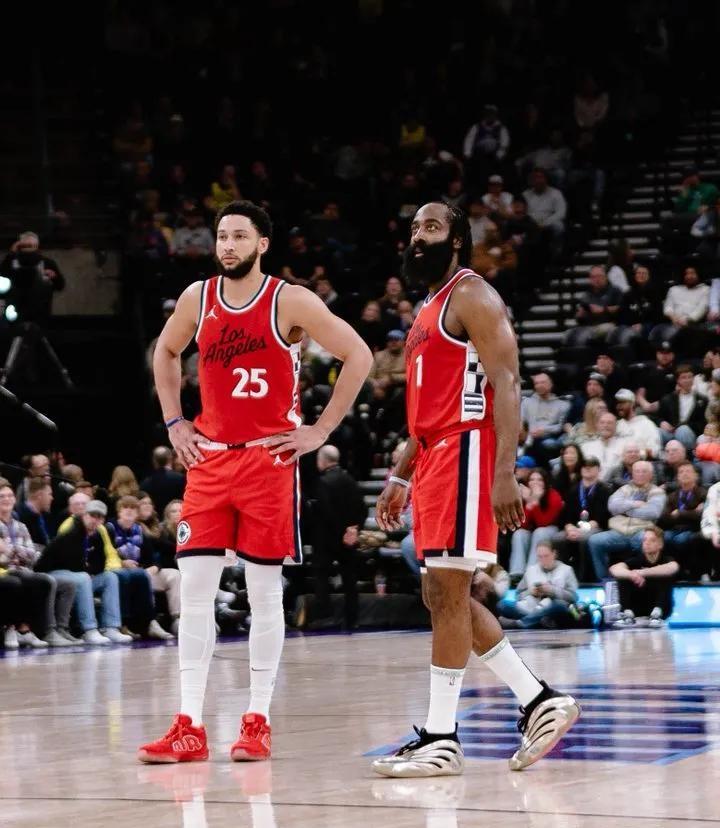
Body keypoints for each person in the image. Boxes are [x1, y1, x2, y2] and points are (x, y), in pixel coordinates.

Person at [139, 200, 372, 764]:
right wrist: (174, 421)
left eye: (239, 236)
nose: (228, 245)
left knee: (265, 592)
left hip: (268, 462)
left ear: (262, 243)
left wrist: (320, 430)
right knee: (194, 592)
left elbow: (359, 355)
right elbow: (165, 350)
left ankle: (257, 720)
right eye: (222, 236)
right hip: (210, 459)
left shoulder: (290, 300)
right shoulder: (198, 298)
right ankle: (188, 725)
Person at [372, 201, 579, 778]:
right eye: (414, 228)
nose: (419, 236)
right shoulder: (428, 308)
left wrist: (505, 471)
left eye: (432, 227)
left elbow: (507, 382)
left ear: (458, 239)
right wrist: (401, 475)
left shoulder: (472, 295)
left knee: (447, 592)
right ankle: (539, 699)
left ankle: (441, 738)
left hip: (466, 452)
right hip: (435, 454)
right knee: (442, 595)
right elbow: (426, 411)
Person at [36, 500, 134, 645]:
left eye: (99, 517)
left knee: (110, 577)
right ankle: (89, 629)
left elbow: (100, 565)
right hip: (52, 574)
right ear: (84, 515)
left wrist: (89, 568)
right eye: (92, 515)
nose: (95, 520)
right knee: (83, 577)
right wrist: (88, 568)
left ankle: (111, 627)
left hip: (79, 576)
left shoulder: (98, 535)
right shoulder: (72, 533)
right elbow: (69, 564)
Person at [0, 480, 76, 648]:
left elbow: (33, 556)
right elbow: (4, 560)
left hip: (24, 569)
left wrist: (11, 549)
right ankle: (21, 629)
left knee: (43, 581)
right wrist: (18, 553)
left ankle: (42, 630)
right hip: (6, 571)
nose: (7, 499)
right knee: (24, 581)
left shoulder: (21, 526)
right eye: (2, 496)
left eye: (10, 496)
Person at [310, 445, 366, 630]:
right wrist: (353, 529)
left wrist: (342, 529)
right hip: (348, 539)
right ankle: (352, 618)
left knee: (321, 575)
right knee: (350, 578)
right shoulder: (350, 479)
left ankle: (324, 617)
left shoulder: (323, 482)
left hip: (326, 539)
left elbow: (325, 512)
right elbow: (362, 508)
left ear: (322, 461)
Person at [106, 496, 176, 640]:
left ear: (137, 513)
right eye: (125, 507)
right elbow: (106, 554)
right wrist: (122, 562)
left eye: (133, 508)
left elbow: (153, 558)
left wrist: (155, 567)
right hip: (117, 570)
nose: (129, 511)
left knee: (174, 575)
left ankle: (177, 619)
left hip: (142, 571)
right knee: (137, 576)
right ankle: (136, 623)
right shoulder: (109, 528)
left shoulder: (139, 530)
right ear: (119, 511)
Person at [587, 460, 666, 580]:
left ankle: (643, 578)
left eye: (644, 471)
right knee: (594, 541)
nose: (640, 474)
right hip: (618, 532)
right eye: (637, 471)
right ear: (632, 474)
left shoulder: (657, 492)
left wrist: (624, 510)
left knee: (647, 541)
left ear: (650, 475)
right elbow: (612, 506)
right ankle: (604, 580)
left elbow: (653, 512)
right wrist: (634, 504)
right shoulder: (624, 489)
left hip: (642, 531)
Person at [552, 457, 610, 580]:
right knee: (557, 538)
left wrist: (581, 530)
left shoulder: (605, 490)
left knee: (585, 539)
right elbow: (566, 515)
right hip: (574, 528)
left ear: (598, 470)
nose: (587, 469)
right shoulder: (573, 489)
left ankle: (584, 578)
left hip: (596, 527)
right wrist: (569, 528)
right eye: (584, 466)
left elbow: (602, 517)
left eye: (591, 466)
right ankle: (561, 577)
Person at [498, 543, 578, 629]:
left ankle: (521, 623)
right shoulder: (531, 570)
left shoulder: (566, 570)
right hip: (530, 607)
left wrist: (552, 591)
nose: (543, 559)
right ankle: (538, 621)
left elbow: (573, 597)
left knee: (560, 607)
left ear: (554, 554)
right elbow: (518, 595)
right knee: (502, 604)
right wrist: (531, 592)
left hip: (551, 608)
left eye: (546, 556)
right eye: (540, 557)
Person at [610, 527, 679, 628]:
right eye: (644, 540)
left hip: (660, 606)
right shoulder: (636, 559)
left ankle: (657, 615)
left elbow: (673, 567)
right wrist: (631, 574)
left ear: (660, 544)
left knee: (663, 573)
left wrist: (642, 572)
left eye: (652, 540)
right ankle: (627, 614)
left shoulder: (667, 559)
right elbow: (614, 569)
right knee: (623, 575)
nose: (647, 543)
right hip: (639, 606)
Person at [509, 469, 564, 577]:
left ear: (545, 482)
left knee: (540, 532)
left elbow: (543, 522)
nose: (535, 483)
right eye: (532, 479)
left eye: (539, 480)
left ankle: (532, 572)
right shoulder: (524, 495)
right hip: (532, 530)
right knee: (519, 534)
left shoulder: (554, 496)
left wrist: (535, 501)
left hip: (551, 529)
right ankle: (517, 573)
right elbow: (522, 524)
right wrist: (529, 503)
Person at [659, 463, 706, 578]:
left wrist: (680, 513)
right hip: (674, 528)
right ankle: (670, 570)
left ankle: (685, 571)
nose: (684, 474)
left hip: (693, 529)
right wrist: (692, 512)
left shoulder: (703, 493)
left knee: (681, 540)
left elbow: (701, 515)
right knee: (664, 537)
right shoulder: (672, 495)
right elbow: (665, 517)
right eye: (681, 472)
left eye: (688, 471)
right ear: (677, 477)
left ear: (696, 476)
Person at [520, 372, 570, 464]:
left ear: (551, 384)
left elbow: (562, 426)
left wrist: (545, 430)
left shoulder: (562, 405)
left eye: (543, 382)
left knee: (547, 444)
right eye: (536, 383)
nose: (539, 385)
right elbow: (521, 422)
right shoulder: (526, 403)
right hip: (529, 438)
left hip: (549, 439)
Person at [657, 366, 708, 452]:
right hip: (670, 432)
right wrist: (661, 422)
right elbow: (658, 417)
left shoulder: (702, 400)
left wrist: (684, 426)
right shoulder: (668, 399)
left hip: (689, 433)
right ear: (678, 380)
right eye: (684, 377)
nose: (687, 380)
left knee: (683, 430)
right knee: (657, 432)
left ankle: (687, 455)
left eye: (690, 377)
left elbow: (702, 423)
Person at [615, 389, 662, 459]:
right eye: (618, 403)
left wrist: (635, 455)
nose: (619, 406)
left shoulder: (646, 424)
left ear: (632, 404)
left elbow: (655, 451)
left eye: (623, 403)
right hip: (618, 463)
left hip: (641, 462)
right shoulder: (616, 425)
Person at [140, 446, 186, 516]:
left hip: (156, 519)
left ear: (154, 461)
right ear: (170, 459)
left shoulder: (145, 483)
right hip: (178, 517)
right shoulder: (180, 478)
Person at [581, 412, 626, 481]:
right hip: (591, 483)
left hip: (616, 483)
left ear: (616, 425)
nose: (605, 425)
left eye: (609, 423)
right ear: (597, 425)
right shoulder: (586, 446)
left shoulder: (625, 445)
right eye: (602, 423)